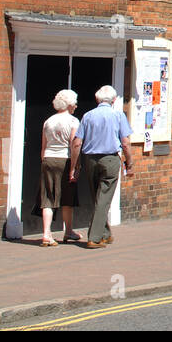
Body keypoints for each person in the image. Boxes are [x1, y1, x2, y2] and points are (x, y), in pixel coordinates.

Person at [69, 85, 134, 248]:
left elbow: (77, 143)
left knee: (97, 198)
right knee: (103, 199)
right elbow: (125, 143)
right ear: (113, 100)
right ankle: (94, 238)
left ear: (97, 99)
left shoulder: (87, 116)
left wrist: (75, 165)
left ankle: (105, 234)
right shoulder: (118, 115)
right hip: (110, 159)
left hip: (90, 160)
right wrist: (130, 162)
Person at [38, 89, 82, 246]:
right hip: (65, 159)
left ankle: (46, 233)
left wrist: (44, 159)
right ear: (69, 104)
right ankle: (68, 231)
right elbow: (74, 144)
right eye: (74, 103)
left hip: (48, 159)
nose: (76, 106)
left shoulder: (48, 121)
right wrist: (74, 167)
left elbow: (43, 146)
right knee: (67, 198)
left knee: (48, 197)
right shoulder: (73, 121)